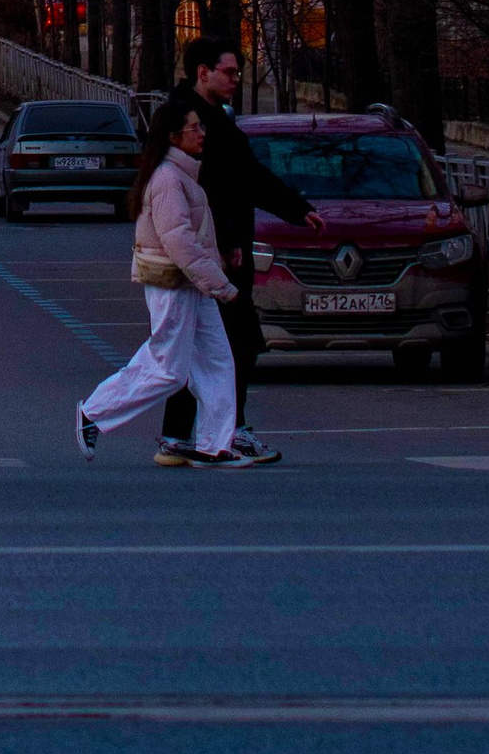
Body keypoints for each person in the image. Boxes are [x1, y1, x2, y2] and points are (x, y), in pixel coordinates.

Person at [158, 42, 321, 465]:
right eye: (228, 72)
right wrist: (228, 241)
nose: (236, 79)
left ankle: (182, 435)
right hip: (211, 254)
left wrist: (296, 209)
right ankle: (229, 432)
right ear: (203, 72)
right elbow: (210, 188)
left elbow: (246, 176)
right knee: (235, 343)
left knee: (211, 344)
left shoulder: (211, 118)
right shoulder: (189, 121)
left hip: (216, 250)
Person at [75, 92, 241, 465]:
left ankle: (215, 446)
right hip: (173, 284)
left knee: (216, 362)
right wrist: (219, 284)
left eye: (201, 126)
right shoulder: (168, 178)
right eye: (194, 128)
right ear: (173, 136)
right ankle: (94, 412)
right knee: (169, 369)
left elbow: (193, 237)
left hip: (191, 284)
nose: (202, 133)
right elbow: (178, 240)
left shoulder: (181, 174)